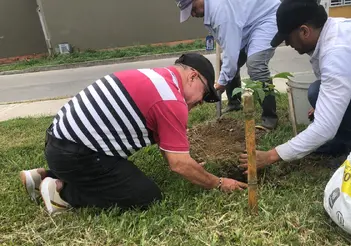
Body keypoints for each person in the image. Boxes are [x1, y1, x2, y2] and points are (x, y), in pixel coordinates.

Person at [20, 53, 247, 215]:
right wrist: (217, 182)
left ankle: (43, 174)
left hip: (59, 143)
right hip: (76, 155)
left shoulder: (156, 77)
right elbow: (179, 165)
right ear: (193, 77)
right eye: (204, 94)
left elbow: (171, 151)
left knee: (111, 169)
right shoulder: (170, 99)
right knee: (146, 197)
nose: (199, 103)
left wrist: (188, 162)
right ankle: (62, 194)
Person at [239, 0, 351, 170]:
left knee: (328, 98)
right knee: (317, 91)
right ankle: (341, 141)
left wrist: (271, 155)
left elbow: (325, 127)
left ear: (304, 31)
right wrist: (323, 106)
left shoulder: (337, 51)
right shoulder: (332, 31)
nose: (287, 44)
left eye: (287, 38)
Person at [175, 0, 280, 130]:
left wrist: (222, 82)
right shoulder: (212, 10)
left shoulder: (220, 13)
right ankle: (234, 102)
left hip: (266, 17)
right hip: (247, 22)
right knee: (227, 64)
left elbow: (231, 53)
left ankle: (270, 118)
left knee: (255, 65)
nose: (192, 14)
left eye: (192, 8)